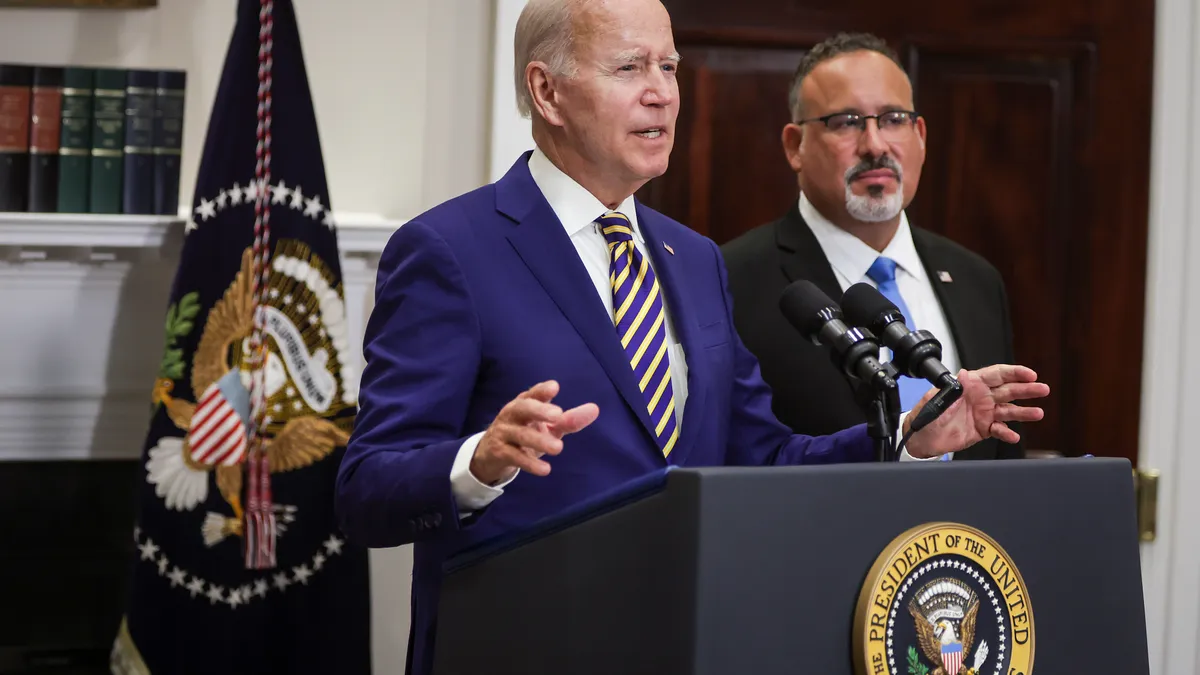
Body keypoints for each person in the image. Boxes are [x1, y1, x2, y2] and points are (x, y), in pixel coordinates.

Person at [335, 5, 1048, 674]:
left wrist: (902, 436)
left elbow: (760, 455)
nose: (663, 95)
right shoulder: (449, 250)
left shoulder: (694, 259)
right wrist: (477, 462)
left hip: (685, 643)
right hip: (520, 644)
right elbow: (366, 486)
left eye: (670, 68)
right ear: (546, 92)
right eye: (630, 69)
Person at [722, 32, 1024, 460]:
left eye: (893, 119)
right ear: (795, 146)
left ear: (920, 135)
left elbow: (1000, 453)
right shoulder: (733, 280)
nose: (876, 145)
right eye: (846, 122)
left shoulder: (976, 279)